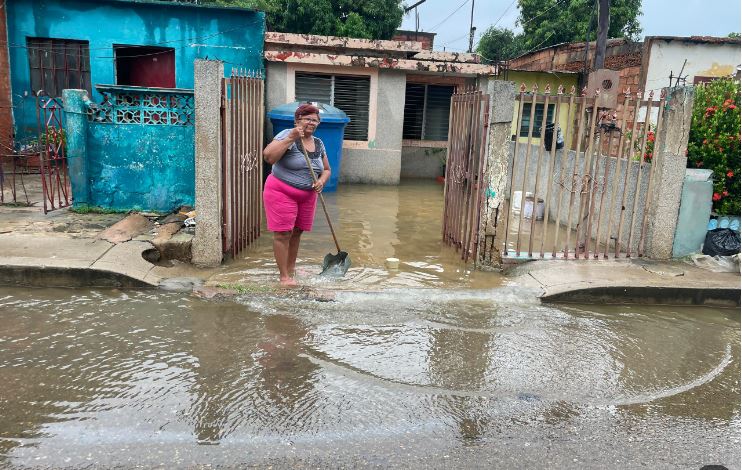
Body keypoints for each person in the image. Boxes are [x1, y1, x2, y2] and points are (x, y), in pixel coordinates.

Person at [262, 104, 331, 287]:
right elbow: (269, 157)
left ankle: (291, 270)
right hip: (282, 190)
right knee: (283, 233)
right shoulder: (287, 134)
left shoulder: (319, 143)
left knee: (297, 232)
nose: (312, 122)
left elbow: (326, 170)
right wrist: (292, 137)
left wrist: (321, 181)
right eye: (307, 118)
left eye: (315, 120)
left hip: (308, 195)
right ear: (297, 120)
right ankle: (284, 277)